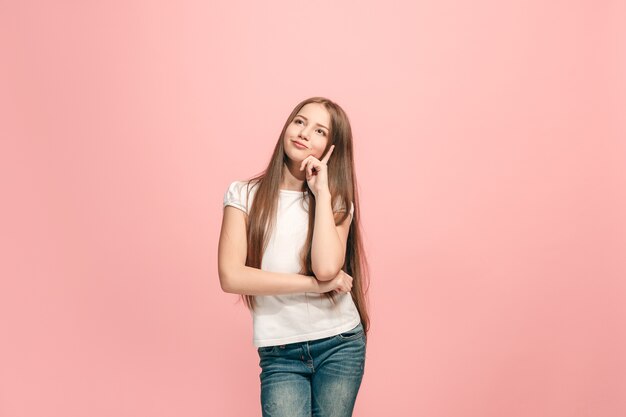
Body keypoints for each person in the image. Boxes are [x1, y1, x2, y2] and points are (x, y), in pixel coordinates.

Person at [217, 96, 370, 417]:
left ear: (332, 148)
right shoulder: (243, 194)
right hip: (280, 351)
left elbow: (327, 268)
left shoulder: (335, 201)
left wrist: (322, 192)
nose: (303, 133)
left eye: (319, 131)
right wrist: (313, 287)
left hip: (339, 343)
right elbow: (231, 276)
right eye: (300, 121)